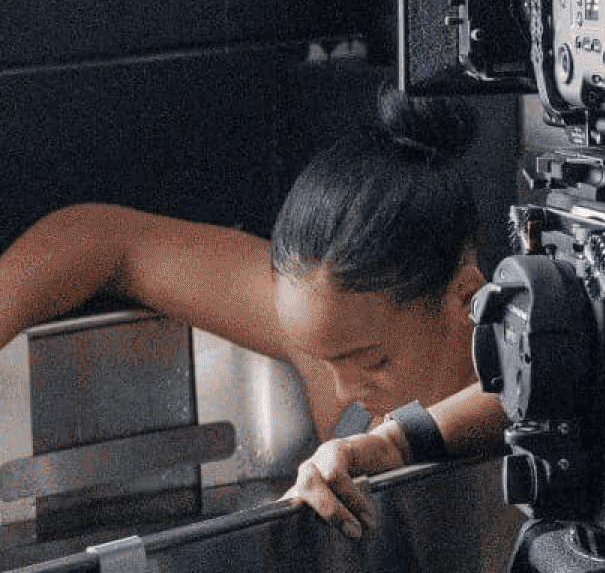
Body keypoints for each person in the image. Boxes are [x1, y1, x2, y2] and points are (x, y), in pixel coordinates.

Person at [0, 87, 488, 461]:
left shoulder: (544, 407)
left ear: (465, 297)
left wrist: (402, 441)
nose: (341, 391)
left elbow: (531, 393)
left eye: (373, 362)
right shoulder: (337, 332)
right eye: (322, 358)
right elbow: (103, 240)